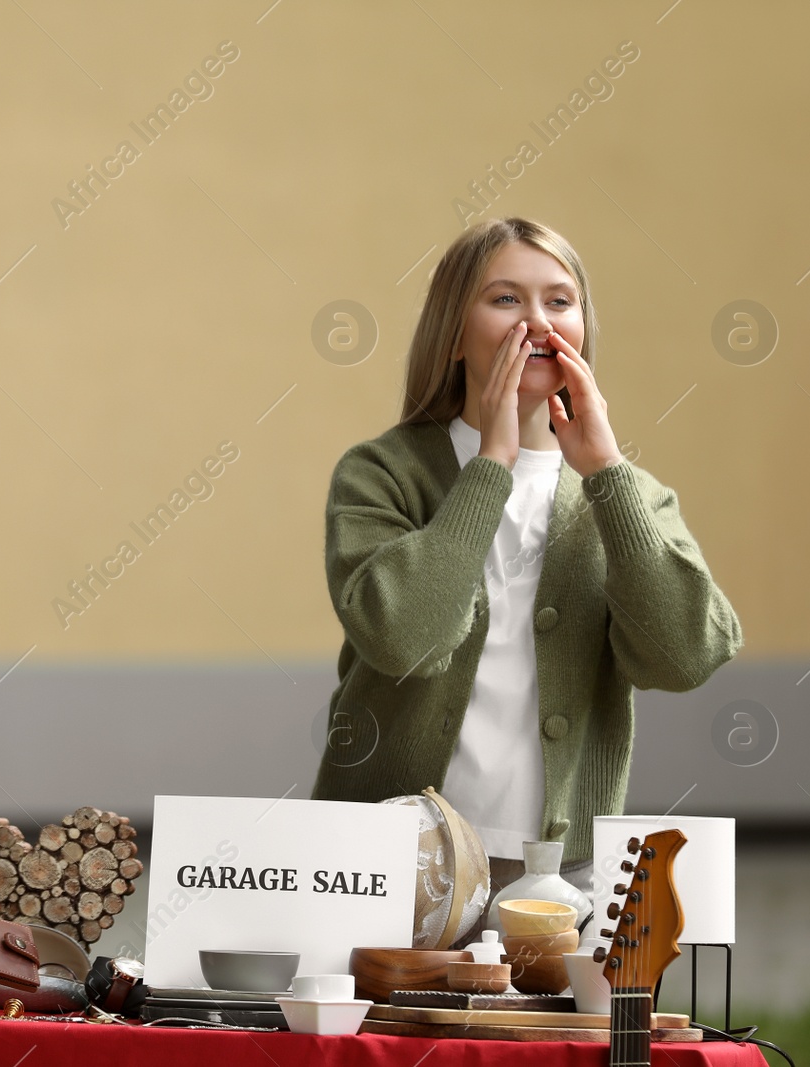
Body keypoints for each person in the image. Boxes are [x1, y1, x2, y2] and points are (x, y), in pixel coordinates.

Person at [310, 216, 743, 923]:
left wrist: (606, 472)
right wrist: (491, 466)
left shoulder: (627, 494)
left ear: (582, 332)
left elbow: (685, 655)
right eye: (507, 299)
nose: (537, 321)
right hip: (383, 860)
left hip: (560, 877)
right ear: (453, 334)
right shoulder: (382, 473)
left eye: (560, 301)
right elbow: (404, 639)